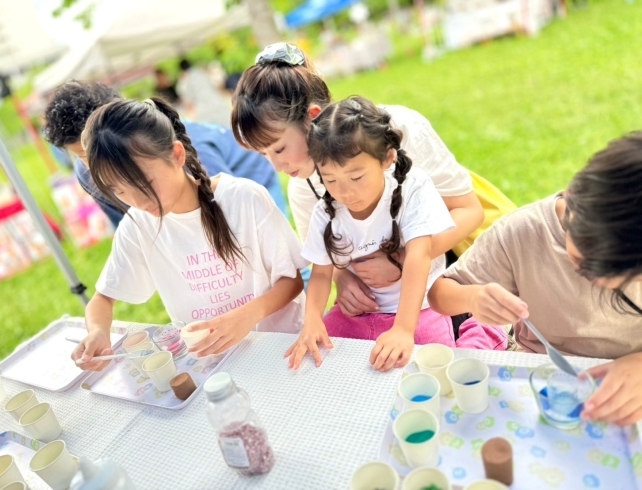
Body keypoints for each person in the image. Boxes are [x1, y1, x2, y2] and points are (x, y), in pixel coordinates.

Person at [231, 42, 516, 326]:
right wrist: (344, 280)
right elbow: (328, 260)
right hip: (390, 301)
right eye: (263, 155)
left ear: (313, 117)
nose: (277, 167)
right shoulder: (304, 187)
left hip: (456, 264)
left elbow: (469, 211)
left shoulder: (395, 129)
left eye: (279, 149)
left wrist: (402, 260)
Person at [70, 97, 307, 371]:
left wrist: (246, 317)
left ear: (177, 155)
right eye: (120, 191)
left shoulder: (243, 198)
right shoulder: (138, 225)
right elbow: (102, 299)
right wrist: (98, 331)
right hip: (215, 364)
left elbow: (292, 281)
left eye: (145, 183)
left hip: (282, 350)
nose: (139, 201)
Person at [427, 132, 642, 426]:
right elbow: (439, 294)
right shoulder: (523, 232)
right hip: (539, 372)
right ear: (575, 195)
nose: (597, 279)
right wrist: (473, 298)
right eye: (587, 261)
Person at [286, 97, 507, 371]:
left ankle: (484, 330)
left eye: (356, 177)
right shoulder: (326, 210)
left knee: (434, 368)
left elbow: (418, 256)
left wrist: (403, 329)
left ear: (387, 159)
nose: (345, 192)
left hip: (420, 308)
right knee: (318, 362)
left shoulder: (413, 188)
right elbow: (321, 273)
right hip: (359, 312)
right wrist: (312, 321)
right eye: (330, 180)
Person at [43, 81, 288, 229]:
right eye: (82, 156)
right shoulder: (87, 173)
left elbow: (230, 208)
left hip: (251, 176)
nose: (95, 164)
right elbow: (129, 227)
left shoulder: (182, 145)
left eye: (95, 150)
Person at [177, 58, 231, 128]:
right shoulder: (201, 72)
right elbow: (217, 85)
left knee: (216, 130)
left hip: (204, 109)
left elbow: (188, 100)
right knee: (229, 125)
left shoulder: (187, 80)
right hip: (216, 101)